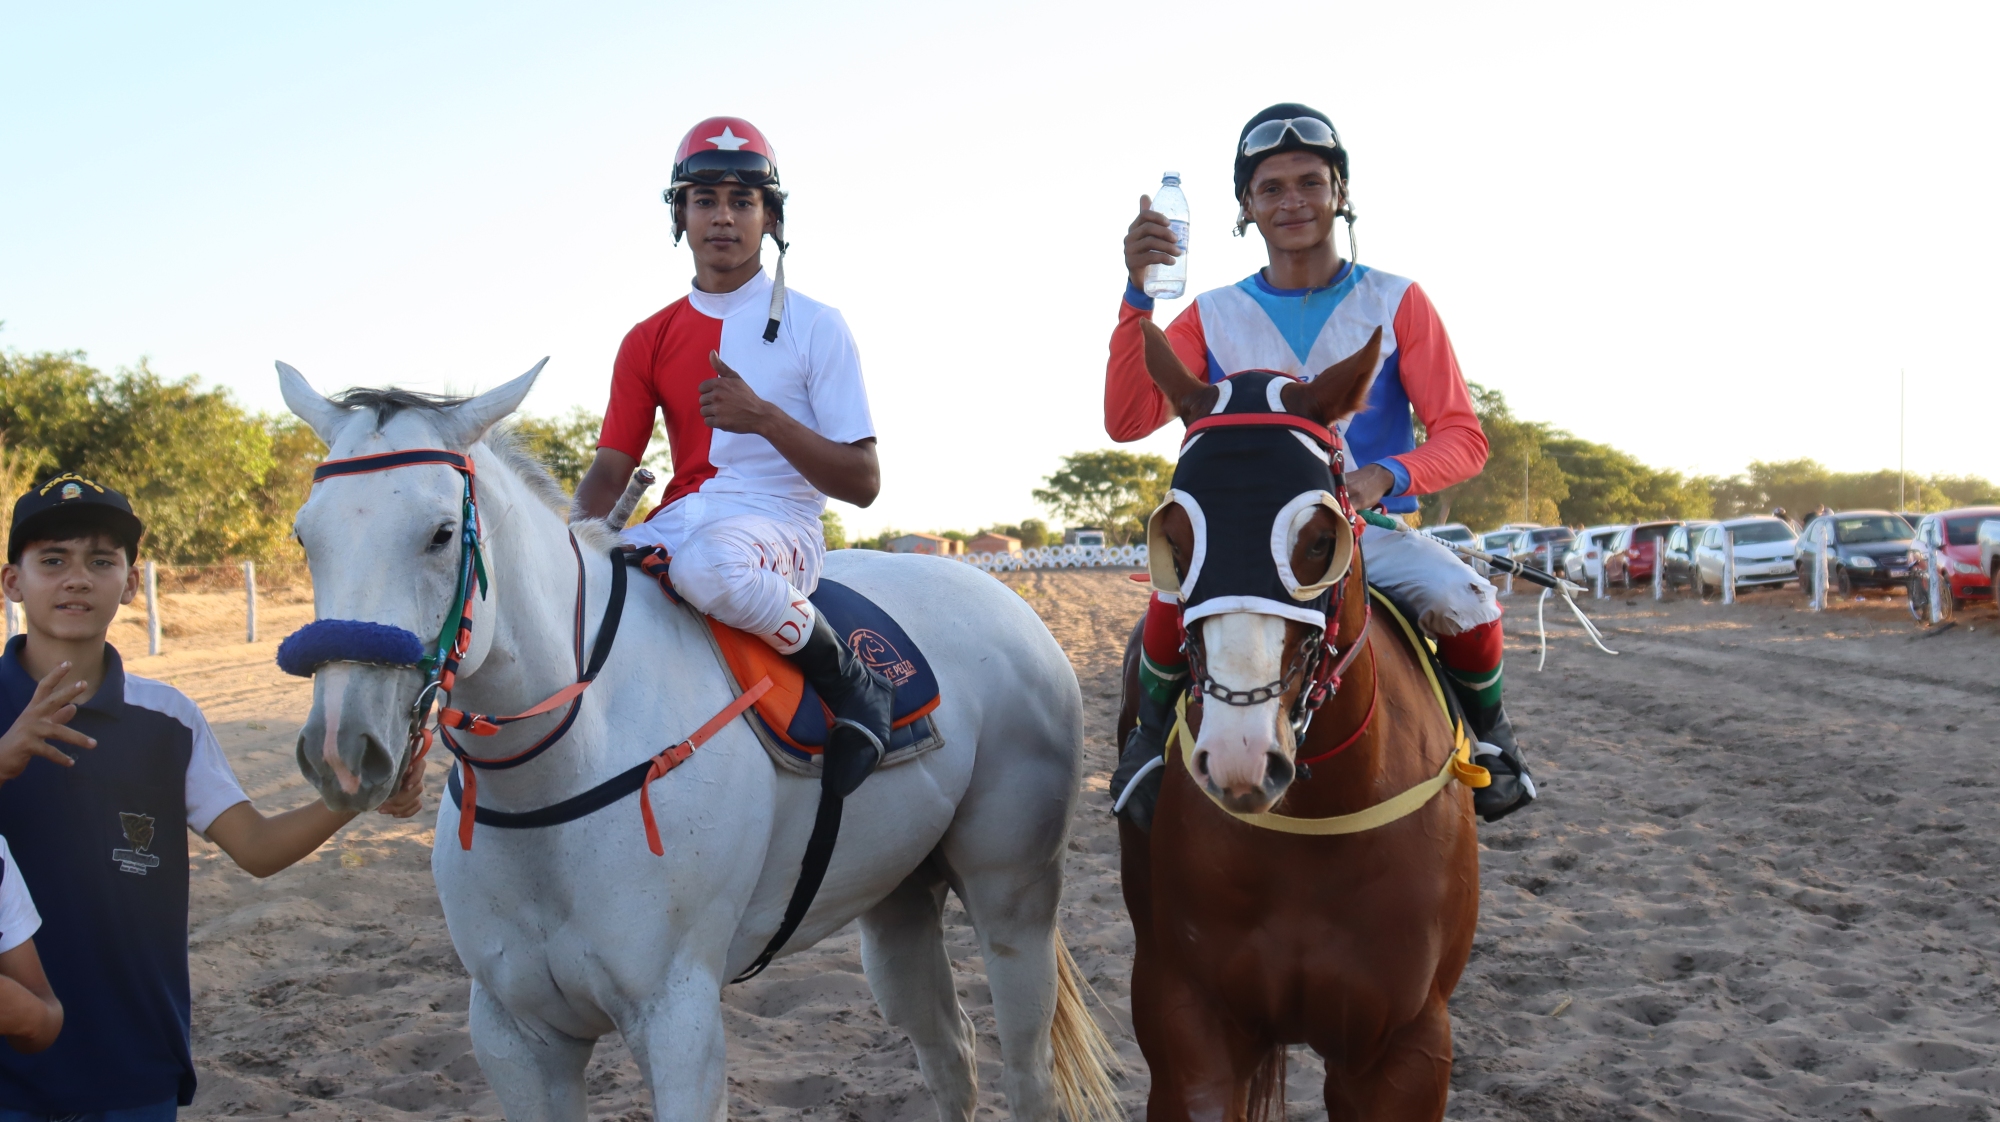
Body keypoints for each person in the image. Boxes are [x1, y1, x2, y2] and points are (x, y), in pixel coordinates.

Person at [1105, 103, 1534, 829]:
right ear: (1246, 207)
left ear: (1340, 192)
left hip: (1363, 532)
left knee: (1463, 597)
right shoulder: (1211, 314)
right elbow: (1127, 418)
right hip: (1243, 543)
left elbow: (1463, 437)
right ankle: (1147, 747)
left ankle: (1495, 740)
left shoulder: (1398, 301)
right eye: (1271, 188)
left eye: (1310, 182)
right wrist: (1138, 290)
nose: (1293, 201)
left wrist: (1385, 476)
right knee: (1171, 603)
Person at [0, 475, 422, 1119]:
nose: (77, 579)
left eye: (101, 562)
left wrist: (356, 795)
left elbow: (255, 847)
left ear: (131, 584)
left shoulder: (167, 719)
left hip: (133, 1060)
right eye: (53, 560)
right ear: (12, 582)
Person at [570, 116, 892, 791]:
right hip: (678, 521)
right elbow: (610, 469)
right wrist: (569, 544)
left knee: (708, 567)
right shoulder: (646, 338)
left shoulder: (818, 325)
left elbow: (863, 483)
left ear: (770, 218)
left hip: (780, 527)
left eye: (742, 201)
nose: (723, 217)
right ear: (680, 216)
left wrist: (764, 419)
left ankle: (854, 684)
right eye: (705, 200)